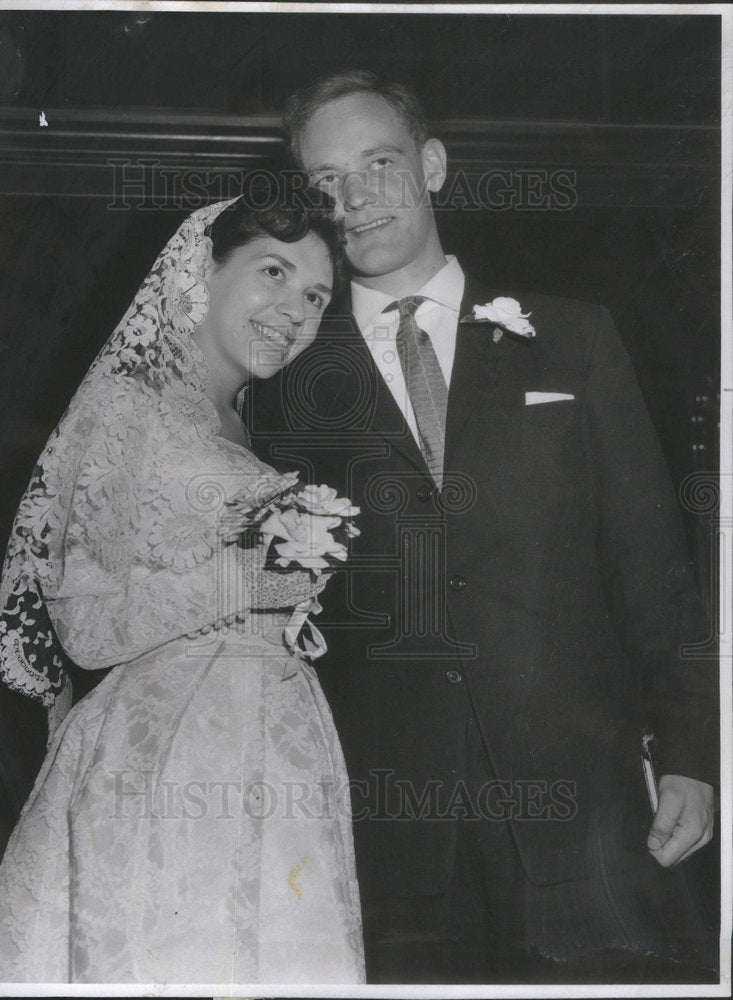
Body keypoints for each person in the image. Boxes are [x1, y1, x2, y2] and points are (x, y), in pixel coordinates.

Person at [247, 71, 719, 983]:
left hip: (586, 816)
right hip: (384, 832)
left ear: (430, 164)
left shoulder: (576, 338)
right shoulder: (284, 382)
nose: (352, 200)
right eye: (325, 182)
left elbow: (652, 568)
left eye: (377, 165)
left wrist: (696, 756)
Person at [0, 187, 365, 984]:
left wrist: (289, 598)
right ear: (200, 272)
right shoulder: (131, 407)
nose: (295, 309)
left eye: (316, 295)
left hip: (268, 741)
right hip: (173, 750)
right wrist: (254, 577)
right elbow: (85, 627)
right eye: (273, 273)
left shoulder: (242, 425)